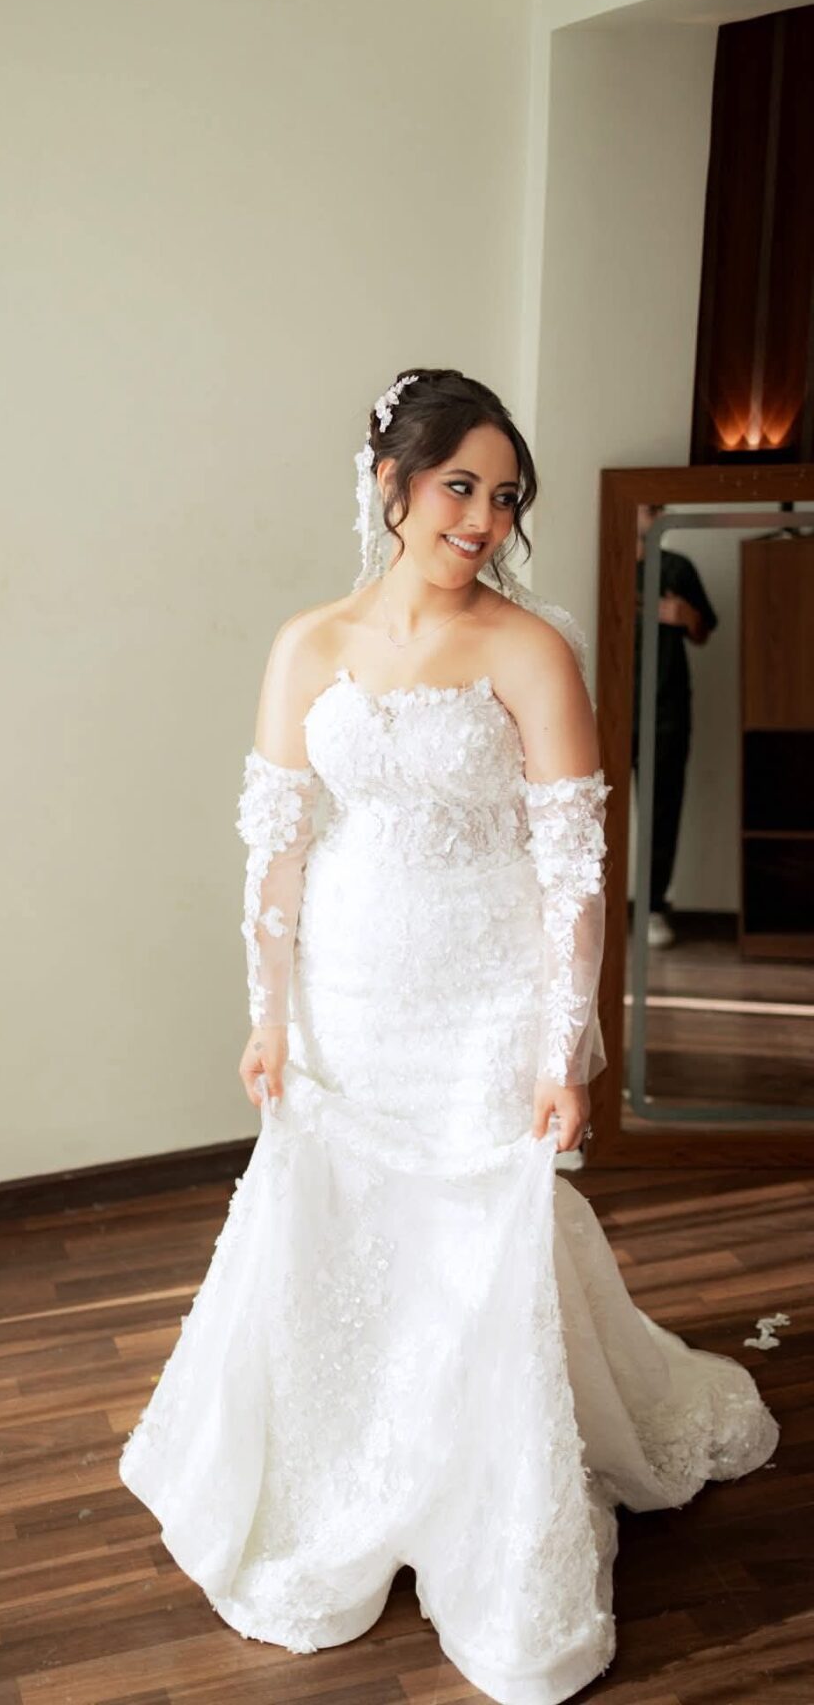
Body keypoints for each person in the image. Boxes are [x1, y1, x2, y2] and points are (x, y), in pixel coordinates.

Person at [118, 369, 778, 1705]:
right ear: (392, 483)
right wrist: (266, 1015)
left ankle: (489, 1521)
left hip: (484, 997)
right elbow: (275, 847)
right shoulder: (307, 645)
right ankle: (346, 1483)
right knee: (351, 1236)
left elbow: (573, 868)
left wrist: (559, 1049)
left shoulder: (528, 651)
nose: (483, 520)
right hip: (348, 997)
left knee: (479, 1244)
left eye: (505, 496)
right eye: (460, 487)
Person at [632, 503, 718, 948]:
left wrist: (685, 615)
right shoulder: (608, 561)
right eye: (649, 507)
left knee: (661, 809)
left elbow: (704, 631)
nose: (656, 514)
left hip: (666, 706)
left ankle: (651, 906)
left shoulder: (677, 568)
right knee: (592, 810)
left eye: (659, 508)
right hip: (609, 704)